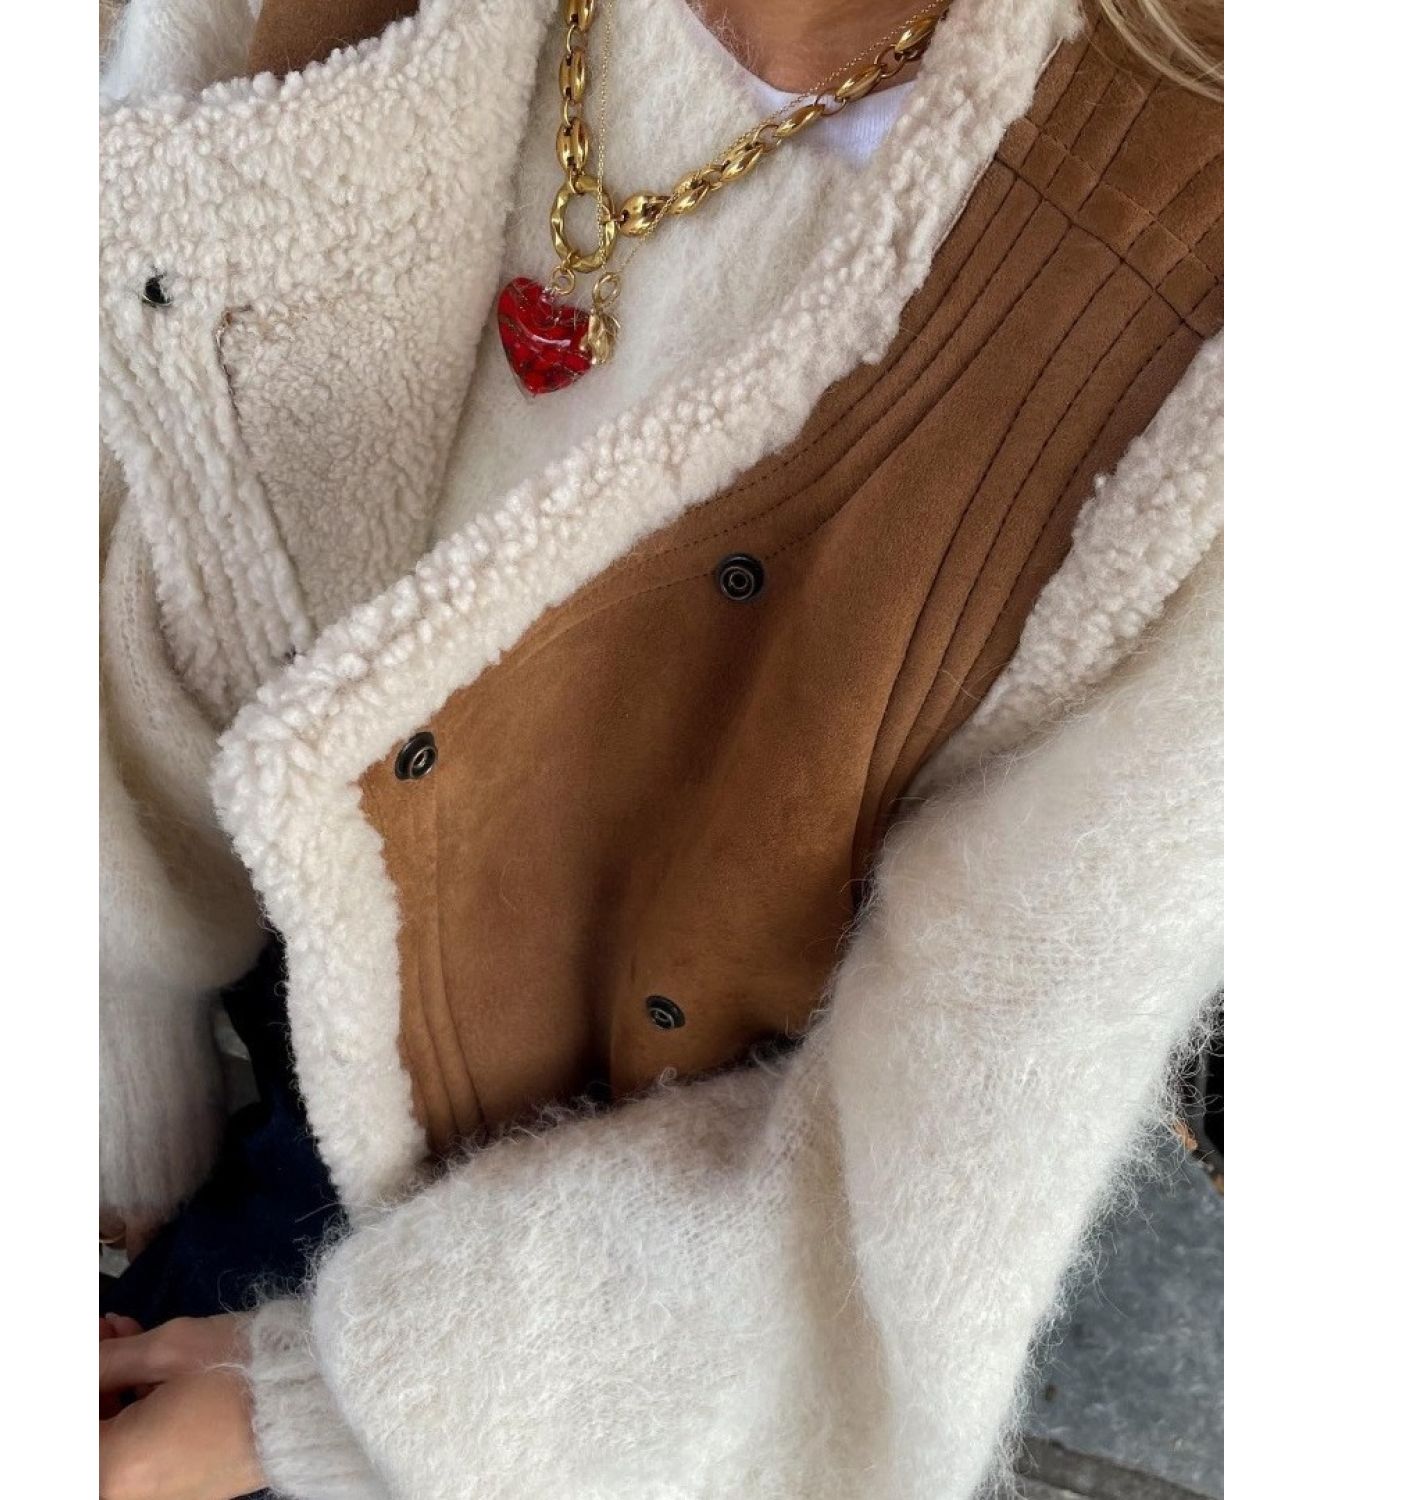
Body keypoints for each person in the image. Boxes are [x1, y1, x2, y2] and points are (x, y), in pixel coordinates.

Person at [98, 0, 1224, 1495]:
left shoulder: (1220, 281)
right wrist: (114, 1097)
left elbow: (922, 1191)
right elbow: (140, 502)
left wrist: (320, 1410)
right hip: (245, 1029)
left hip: (605, 1330)